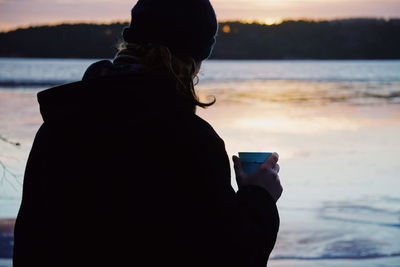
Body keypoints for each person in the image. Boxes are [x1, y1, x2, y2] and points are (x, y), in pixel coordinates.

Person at [13, 0, 283, 266]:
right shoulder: (189, 140)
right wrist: (260, 196)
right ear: (193, 58)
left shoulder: (61, 124)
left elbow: (32, 239)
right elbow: (227, 255)